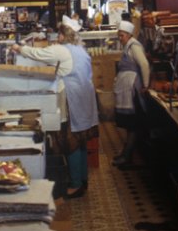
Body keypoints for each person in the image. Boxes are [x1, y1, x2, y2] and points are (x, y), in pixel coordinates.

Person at [12, 16, 99, 199]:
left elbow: (39, 55)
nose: (56, 37)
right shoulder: (80, 49)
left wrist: (20, 48)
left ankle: (75, 185)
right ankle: (82, 180)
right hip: (85, 98)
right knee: (81, 139)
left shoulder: (62, 50)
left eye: (58, 33)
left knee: (72, 141)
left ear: (62, 35)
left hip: (73, 99)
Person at [112, 19, 151, 168]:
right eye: (119, 35)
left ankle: (127, 156)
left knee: (133, 125)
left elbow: (144, 64)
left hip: (133, 91)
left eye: (121, 35)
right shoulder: (128, 46)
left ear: (128, 35)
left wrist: (146, 85)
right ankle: (125, 154)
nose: (120, 38)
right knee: (130, 125)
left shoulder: (134, 46)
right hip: (126, 90)